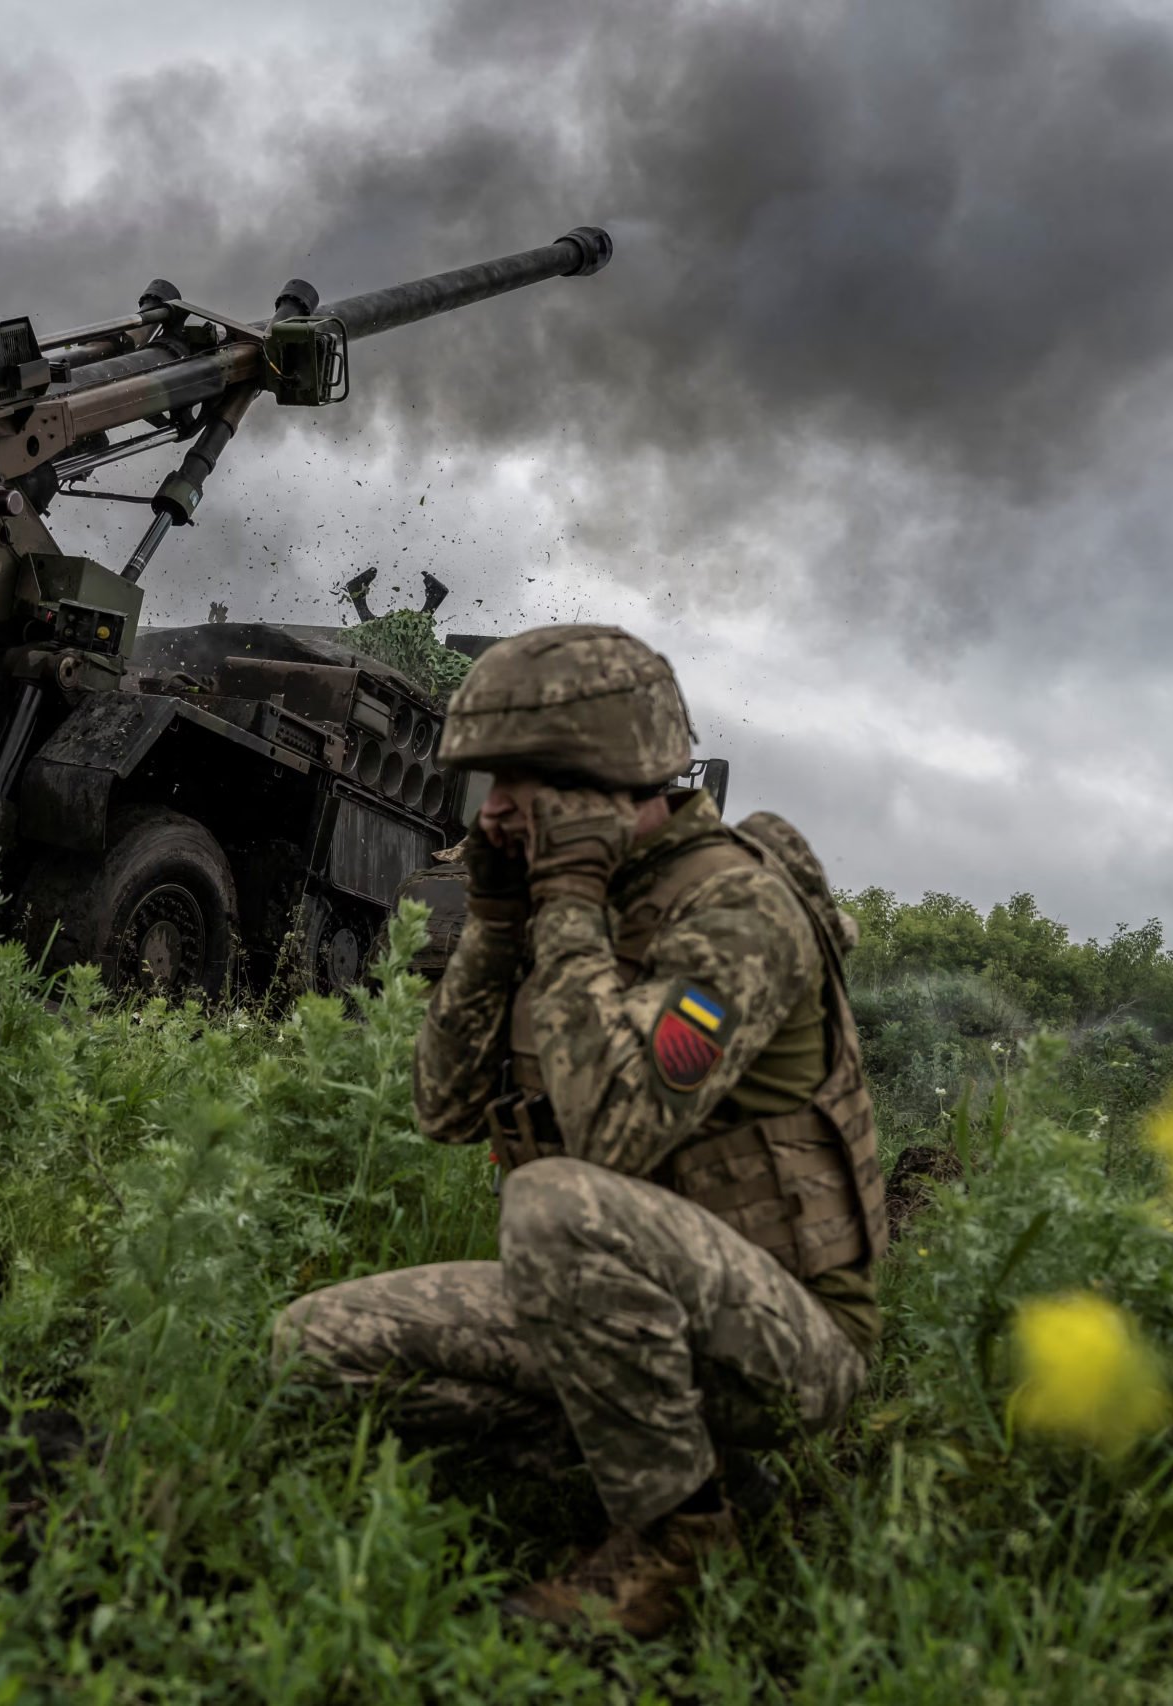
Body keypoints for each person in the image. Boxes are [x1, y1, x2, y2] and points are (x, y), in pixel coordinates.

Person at [271, 623, 886, 1639]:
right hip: (630, 1308)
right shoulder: (573, 899)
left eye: (525, 780)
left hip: (787, 1345)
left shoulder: (737, 910)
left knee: (553, 1197)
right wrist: (503, 920)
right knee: (315, 1348)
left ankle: (680, 1540)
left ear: (616, 781)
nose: (496, 806)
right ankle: (679, 1461)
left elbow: (608, 1133)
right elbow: (447, 1108)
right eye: (490, 781)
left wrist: (561, 904)